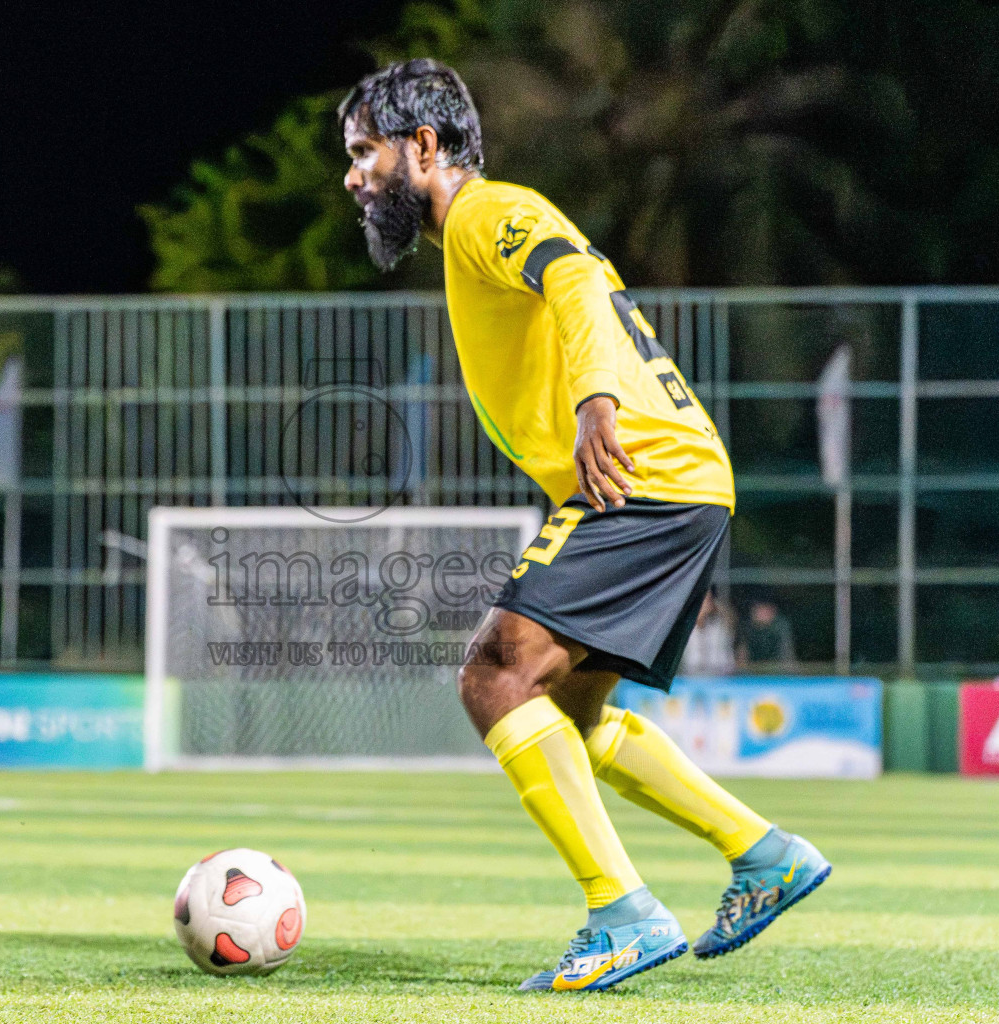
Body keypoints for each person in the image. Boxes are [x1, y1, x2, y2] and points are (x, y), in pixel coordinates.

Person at [338, 59, 831, 993]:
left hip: (638, 475)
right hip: (676, 477)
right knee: (569, 710)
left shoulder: (483, 213)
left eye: (366, 153)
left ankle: (622, 913)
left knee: (495, 674)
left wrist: (597, 399)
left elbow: (572, 280)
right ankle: (763, 855)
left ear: (425, 148)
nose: (355, 176)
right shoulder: (470, 236)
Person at [681, 589, 736, 677]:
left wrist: (716, 604)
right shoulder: (687, 628)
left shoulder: (717, 626)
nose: (707, 603)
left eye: (709, 600)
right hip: (692, 674)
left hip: (722, 675)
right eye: (704, 600)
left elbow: (730, 619)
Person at [738, 599, 798, 669]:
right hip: (753, 671)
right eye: (756, 609)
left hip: (777, 670)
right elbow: (742, 655)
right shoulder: (747, 627)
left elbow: (786, 654)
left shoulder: (781, 625)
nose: (759, 613)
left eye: (764, 610)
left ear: (773, 611)